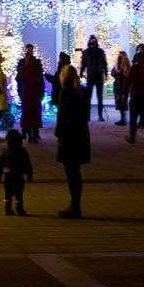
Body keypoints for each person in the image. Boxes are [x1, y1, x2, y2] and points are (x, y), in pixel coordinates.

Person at [54, 64, 91, 218]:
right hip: (81, 135)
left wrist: (59, 134)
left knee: (72, 173)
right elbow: (85, 116)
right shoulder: (82, 92)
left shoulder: (66, 93)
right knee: (76, 173)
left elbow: (62, 117)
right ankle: (75, 204)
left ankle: (75, 206)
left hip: (69, 138)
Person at [0, 128, 33, 215]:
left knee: (8, 193)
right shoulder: (22, 151)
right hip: (18, 175)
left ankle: (7, 209)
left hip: (8, 175)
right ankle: (20, 210)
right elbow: (27, 163)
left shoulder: (5, 150)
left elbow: (0, 164)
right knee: (19, 193)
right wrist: (29, 174)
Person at [124, 43, 144, 145]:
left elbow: (128, 81)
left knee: (133, 118)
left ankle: (132, 137)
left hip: (136, 96)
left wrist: (122, 92)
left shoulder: (135, 67)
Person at [16, 45, 45, 143]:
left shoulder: (23, 66)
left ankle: (28, 133)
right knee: (35, 114)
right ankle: (34, 134)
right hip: (35, 94)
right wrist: (41, 93)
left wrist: (20, 91)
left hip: (26, 94)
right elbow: (41, 81)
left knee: (27, 114)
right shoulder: (36, 65)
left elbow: (18, 78)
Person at [80, 35, 109, 120]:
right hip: (91, 75)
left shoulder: (100, 51)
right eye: (92, 41)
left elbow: (104, 63)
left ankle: (100, 115)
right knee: (88, 97)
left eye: (94, 41)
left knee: (99, 96)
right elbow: (83, 64)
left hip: (99, 75)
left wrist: (106, 73)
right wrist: (81, 73)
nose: (93, 42)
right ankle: (87, 116)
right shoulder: (86, 52)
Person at [111, 49, 131, 124]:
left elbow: (123, 75)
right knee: (121, 102)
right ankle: (123, 118)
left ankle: (123, 119)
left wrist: (117, 74)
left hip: (122, 86)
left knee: (122, 102)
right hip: (119, 85)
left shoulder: (125, 65)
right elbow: (113, 73)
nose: (119, 58)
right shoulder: (119, 65)